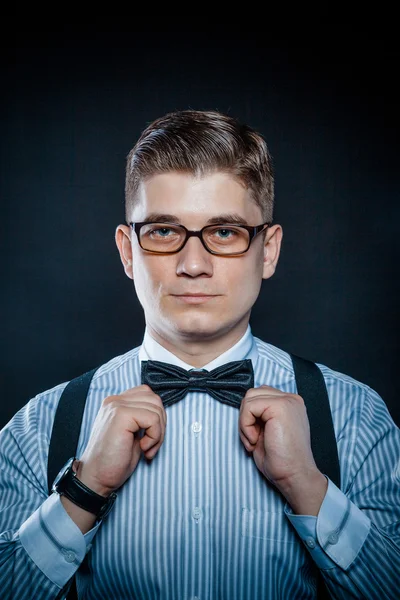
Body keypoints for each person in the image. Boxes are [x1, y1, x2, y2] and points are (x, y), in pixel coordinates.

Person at [0, 109, 399, 600]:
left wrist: (308, 487)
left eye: (225, 233)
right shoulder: (37, 428)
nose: (193, 265)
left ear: (268, 250)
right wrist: (83, 492)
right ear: (128, 252)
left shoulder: (356, 418)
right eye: (164, 232)